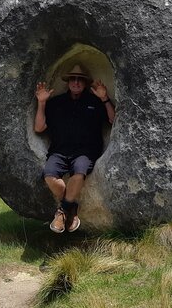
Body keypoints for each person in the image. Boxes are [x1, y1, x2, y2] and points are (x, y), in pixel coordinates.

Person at [34, 64, 115, 233]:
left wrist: (105, 98)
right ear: (68, 82)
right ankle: (71, 206)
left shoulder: (94, 102)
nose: (76, 82)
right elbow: (39, 128)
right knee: (49, 176)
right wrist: (41, 103)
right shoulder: (56, 103)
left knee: (79, 172)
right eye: (73, 79)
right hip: (59, 151)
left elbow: (113, 120)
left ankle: (62, 212)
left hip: (85, 151)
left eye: (80, 80)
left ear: (85, 83)